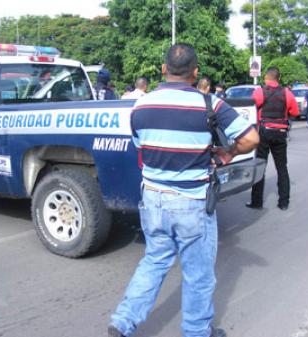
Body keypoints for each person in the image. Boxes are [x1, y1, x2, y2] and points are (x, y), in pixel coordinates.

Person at [108, 44, 259, 337]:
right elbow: (251, 138)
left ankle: (123, 322)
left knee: (154, 260)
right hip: (192, 202)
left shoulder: (140, 106)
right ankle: (196, 331)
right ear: (195, 72)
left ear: (164, 69)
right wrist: (226, 153)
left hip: (152, 199)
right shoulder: (210, 105)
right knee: (198, 275)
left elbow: (143, 148)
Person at [246, 66, 299, 211]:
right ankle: (284, 202)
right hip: (280, 133)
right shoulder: (287, 93)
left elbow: (251, 108)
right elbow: (295, 111)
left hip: (264, 132)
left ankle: (257, 202)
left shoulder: (260, 92)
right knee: (282, 167)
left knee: (260, 166)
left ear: (266, 78)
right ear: (279, 78)